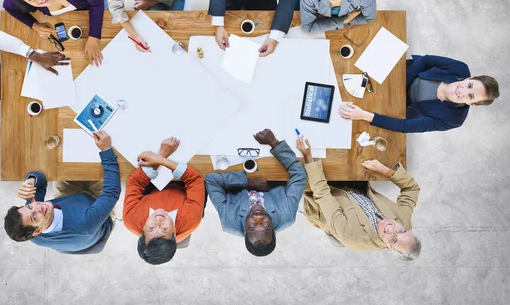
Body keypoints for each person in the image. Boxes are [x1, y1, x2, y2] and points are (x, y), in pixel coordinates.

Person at [297, 134, 421, 260]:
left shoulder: (353, 237)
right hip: (353, 188)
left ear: (388, 247)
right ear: (407, 229)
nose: (392, 230)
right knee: (353, 145)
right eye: (401, 231)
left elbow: (322, 195)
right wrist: (384, 170)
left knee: (300, 160)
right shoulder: (404, 221)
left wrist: (308, 156)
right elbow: (412, 189)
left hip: (321, 194)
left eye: (393, 240)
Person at [3, 130, 120, 253]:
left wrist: (32, 180)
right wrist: (106, 150)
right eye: (34, 217)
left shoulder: (31, 224)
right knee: (104, 165)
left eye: (29, 206)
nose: (37, 207)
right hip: (96, 212)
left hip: (70, 200)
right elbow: (111, 192)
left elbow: (41, 182)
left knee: (61, 165)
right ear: (38, 231)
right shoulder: (84, 225)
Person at [205, 129, 306, 257]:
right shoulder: (287, 215)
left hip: (235, 164)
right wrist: (274, 143)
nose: (258, 217)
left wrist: (248, 183)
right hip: (270, 163)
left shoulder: (228, 220)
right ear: (274, 230)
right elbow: (299, 174)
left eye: (252, 226)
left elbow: (211, 180)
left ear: (245, 231)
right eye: (265, 224)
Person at [339, 54, 500, 133]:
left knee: (351, 113)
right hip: (403, 74)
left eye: (470, 96)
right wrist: (401, 83)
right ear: (469, 78)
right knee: (348, 69)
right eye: (469, 85)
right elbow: (427, 60)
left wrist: (364, 115)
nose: (463, 91)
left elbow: (404, 127)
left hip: (400, 106)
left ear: (471, 104)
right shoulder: (459, 68)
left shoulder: (454, 120)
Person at [3, 0, 108, 66]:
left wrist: (93, 38)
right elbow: (7, 5)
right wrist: (35, 26)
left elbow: (97, 3)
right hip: (75, 6)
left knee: (107, 24)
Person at [123, 137, 205, 265]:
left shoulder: (131, 220)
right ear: (174, 234)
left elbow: (135, 183)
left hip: (151, 186)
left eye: (151, 227)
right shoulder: (191, 220)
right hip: (182, 185)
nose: (158, 220)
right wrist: (161, 159)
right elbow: (194, 180)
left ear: (143, 230)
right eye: (164, 229)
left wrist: (161, 155)